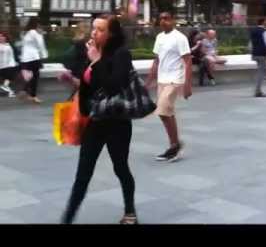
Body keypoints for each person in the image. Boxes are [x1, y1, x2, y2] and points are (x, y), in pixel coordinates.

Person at [62, 14, 138, 224]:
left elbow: (114, 85)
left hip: (117, 123)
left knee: (120, 167)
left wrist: (96, 60)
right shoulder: (93, 52)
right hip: (95, 122)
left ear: (112, 34)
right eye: (94, 28)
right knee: (82, 174)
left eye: (101, 29)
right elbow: (92, 85)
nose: (94, 33)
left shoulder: (122, 54)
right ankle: (67, 218)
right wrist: (74, 80)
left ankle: (130, 212)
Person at [147, 12, 192, 162]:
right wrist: (149, 81)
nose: (163, 21)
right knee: (164, 112)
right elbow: (157, 60)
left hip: (175, 79)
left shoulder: (180, 38)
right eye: (161, 19)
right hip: (162, 79)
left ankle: (174, 146)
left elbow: (187, 61)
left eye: (167, 18)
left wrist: (187, 85)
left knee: (163, 109)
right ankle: (175, 144)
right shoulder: (160, 37)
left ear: (173, 20)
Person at [19, 17, 48, 104]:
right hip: (34, 57)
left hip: (25, 57)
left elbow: (23, 45)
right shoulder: (34, 33)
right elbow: (40, 44)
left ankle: (26, 91)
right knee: (35, 76)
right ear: (37, 24)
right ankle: (32, 95)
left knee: (31, 76)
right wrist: (44, 55)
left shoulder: (25, 33)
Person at [60, 22, 89, 93]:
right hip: (80, 70)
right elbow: (82, 56)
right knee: (80, 93)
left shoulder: (76, 40)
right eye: (87, 27)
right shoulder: (81, 42)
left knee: (77, 92)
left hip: (76, 70)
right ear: (84, 29)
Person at [250, 18, 266, 97]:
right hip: (262, 54)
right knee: (261, 72)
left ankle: (258, 88)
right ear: (263, 22)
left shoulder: (253, 31)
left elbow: (250, 43)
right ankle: (258, 91)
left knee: (260, 70)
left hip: (255, 53)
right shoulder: (264, 31)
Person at [0, 31, 19, 97]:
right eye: (0, 36)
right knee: (9, 76)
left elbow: (14, 54)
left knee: (11, 75)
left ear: (5, 37)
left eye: (2, 36)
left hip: (10, 64)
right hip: (2, 65)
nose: (1, 38)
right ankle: (6, 88)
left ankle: (8, 90)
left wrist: (16, 61)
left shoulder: (9, 45)